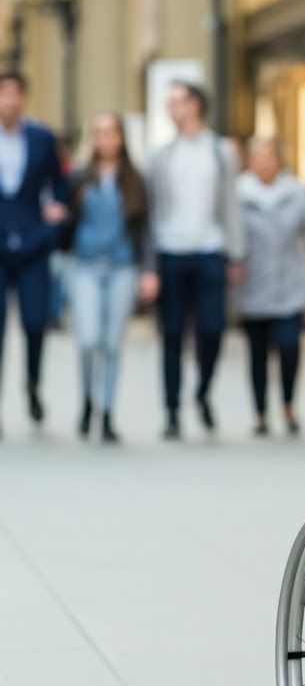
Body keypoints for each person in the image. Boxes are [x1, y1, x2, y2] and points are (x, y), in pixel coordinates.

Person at [147, 80, 244, 439]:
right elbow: (153, 211)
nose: (171, 109)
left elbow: (232, 205)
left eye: (177, 102)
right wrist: (150, 265)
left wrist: (236, 253)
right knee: (171, 334)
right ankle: (172, 411)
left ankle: (202, 392)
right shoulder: (159, 155)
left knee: (212, 330)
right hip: (171, 252)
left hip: (210, 251)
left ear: (196, 105)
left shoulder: (220, 151)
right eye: (168, 103)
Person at [65, 113, 159, 442]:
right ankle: (87, 400)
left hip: (122, 267)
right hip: (86, 266)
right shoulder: (79, 178)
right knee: (88, 340)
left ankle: (106, 412)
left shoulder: (135, 180)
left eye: (111, 133)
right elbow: (64, 219)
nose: (105, 139)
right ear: (93, 139)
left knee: (112, 343)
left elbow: (145, 229)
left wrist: (149, 270)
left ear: (121, 138)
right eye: (99, 132)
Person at [236, 138, 305, 436]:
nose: (264, 162)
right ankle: (260, 412)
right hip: (253, 284)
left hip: (291, 283)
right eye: (258, 156)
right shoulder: (238, 194)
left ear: (279, 159)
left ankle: (288, 404)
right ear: (250, 162)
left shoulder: (297, 192)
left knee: (290, 346)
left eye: (269, 156)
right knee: (258, 352)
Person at [0, 69, 69, 431]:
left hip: (33, 243)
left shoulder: (42, 138)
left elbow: (60, 180)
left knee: (34, 322)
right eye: (3, 94)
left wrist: (56, 210)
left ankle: (32, 384)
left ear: (24, 98)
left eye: (15, 94)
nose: (9, 101)